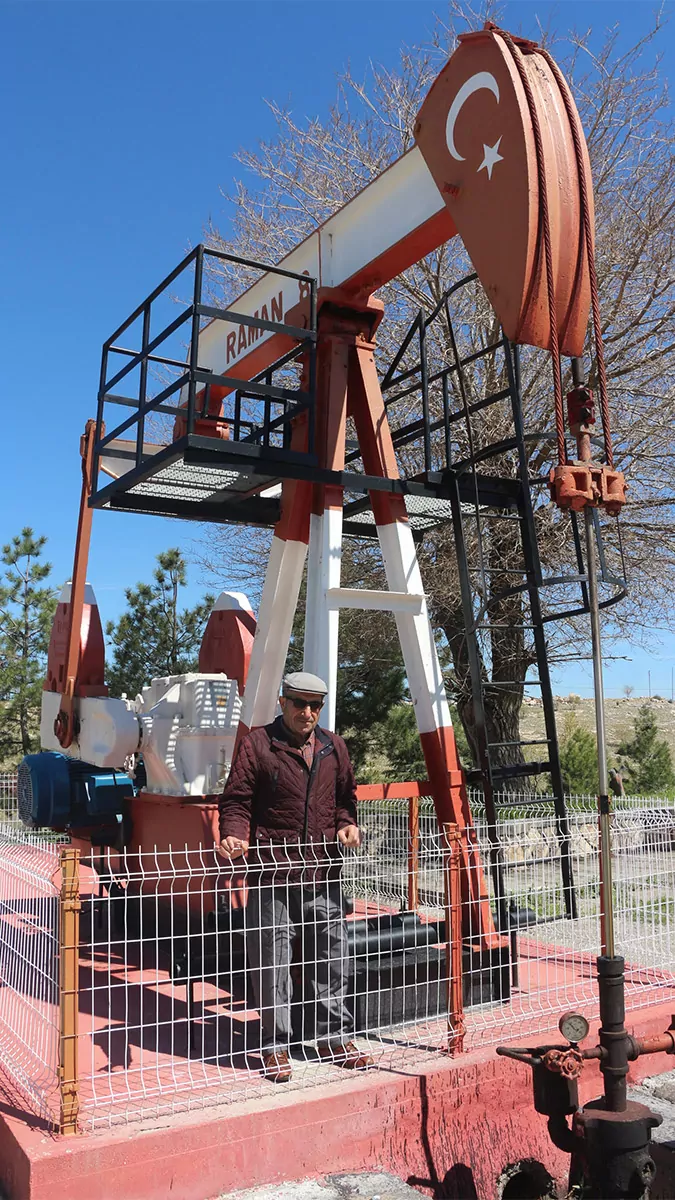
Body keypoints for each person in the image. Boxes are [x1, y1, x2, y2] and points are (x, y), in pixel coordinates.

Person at [218, 670, 374, 1083]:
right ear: (283, 702)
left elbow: (345, 799)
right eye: (299, 703)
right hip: (272, 874)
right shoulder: (258, 744)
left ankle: (333, 1038)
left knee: (332, 960)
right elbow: (236, 801)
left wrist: (346, 824)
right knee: (273, 964)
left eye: (314, 705)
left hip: (322, 872)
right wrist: (234, 835)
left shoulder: (332, 746)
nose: (307, 712)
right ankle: (275, 1047)